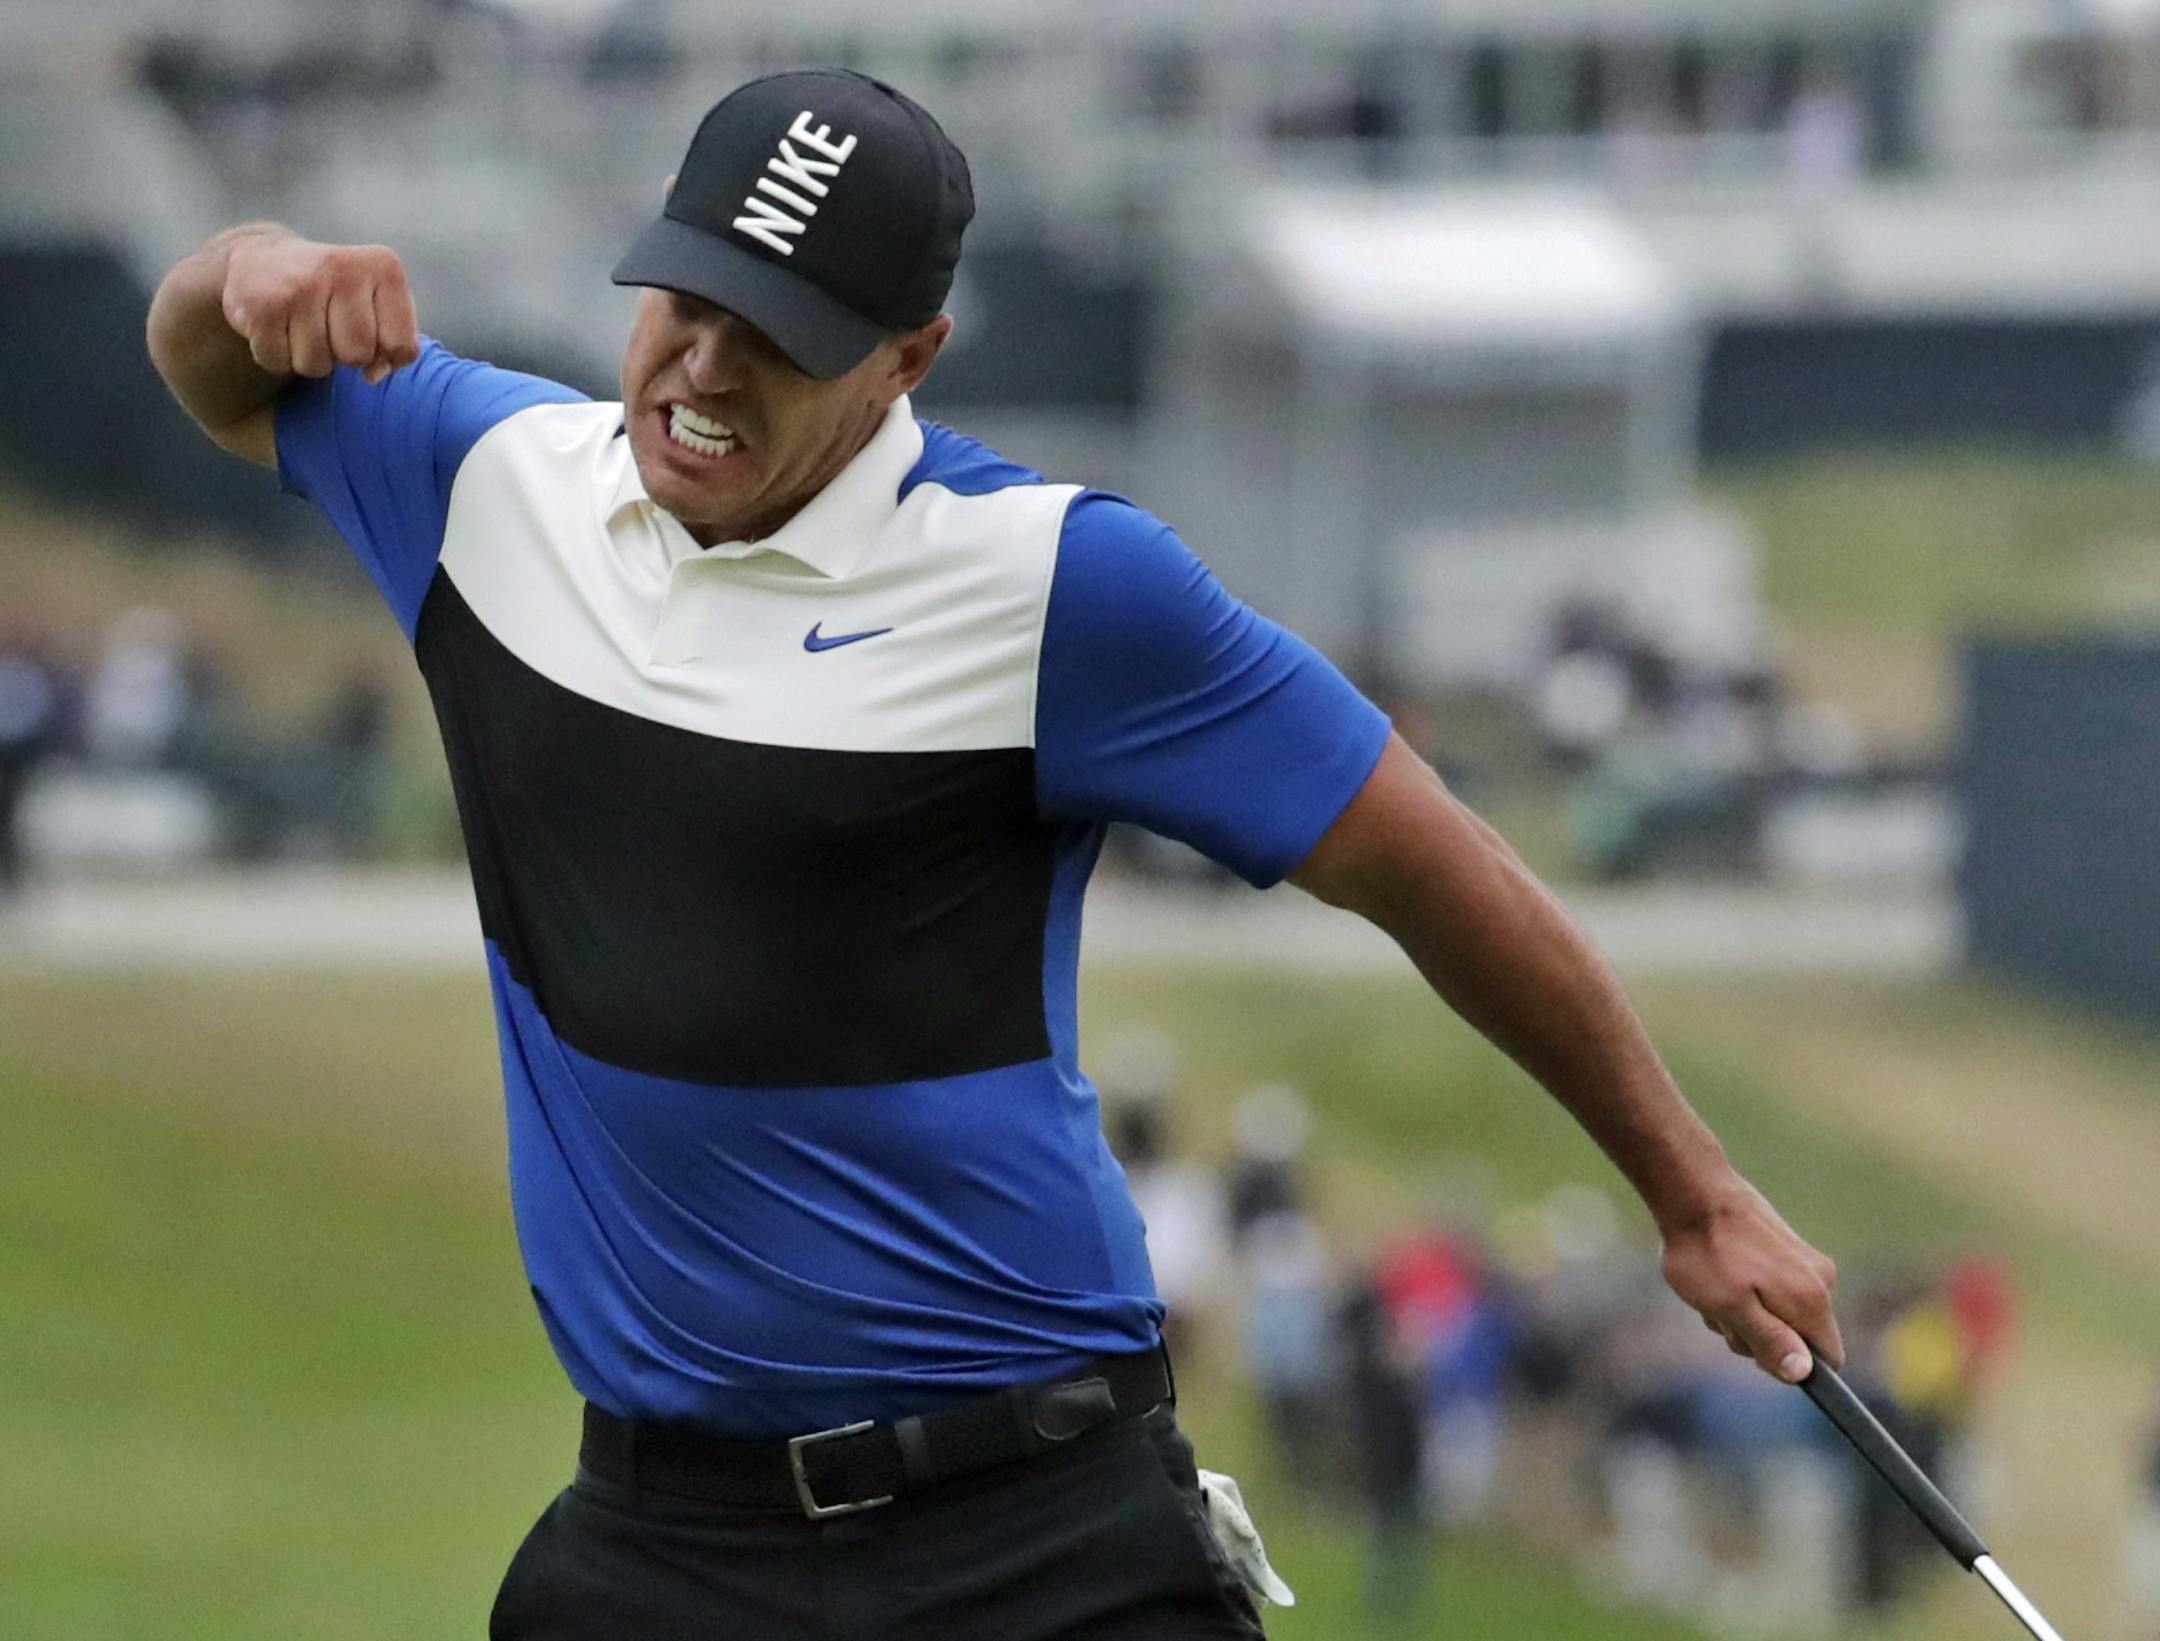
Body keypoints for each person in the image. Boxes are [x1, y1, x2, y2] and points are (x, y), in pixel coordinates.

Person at [145, 65, 1843, 1640]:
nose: (706, 370)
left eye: (783, 335)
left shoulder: (1056, 588)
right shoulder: (483, 479)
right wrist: (250, 262)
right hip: (660, 1544)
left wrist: (1694, 1196)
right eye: (686, 301)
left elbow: (1422, 856)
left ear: (908, 358)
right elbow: (213, 367)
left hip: (1033, 1539)